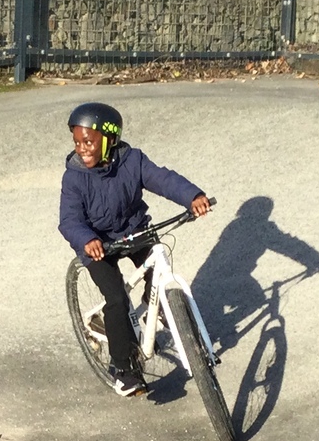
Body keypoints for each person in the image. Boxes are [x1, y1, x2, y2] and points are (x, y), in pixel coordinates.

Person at [58, 101, 209, 396]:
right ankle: (124, 369)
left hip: (134, 231)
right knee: (115, 298)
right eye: (77, 142)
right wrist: (87, 239)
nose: (81, 148)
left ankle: (164, 306)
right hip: (97, 246)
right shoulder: (74, 177)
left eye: (88, 141)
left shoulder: (133, 161)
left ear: (110, 139)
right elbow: (69, 220)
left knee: (159, 260)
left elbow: (164, 179)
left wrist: (192, 196)